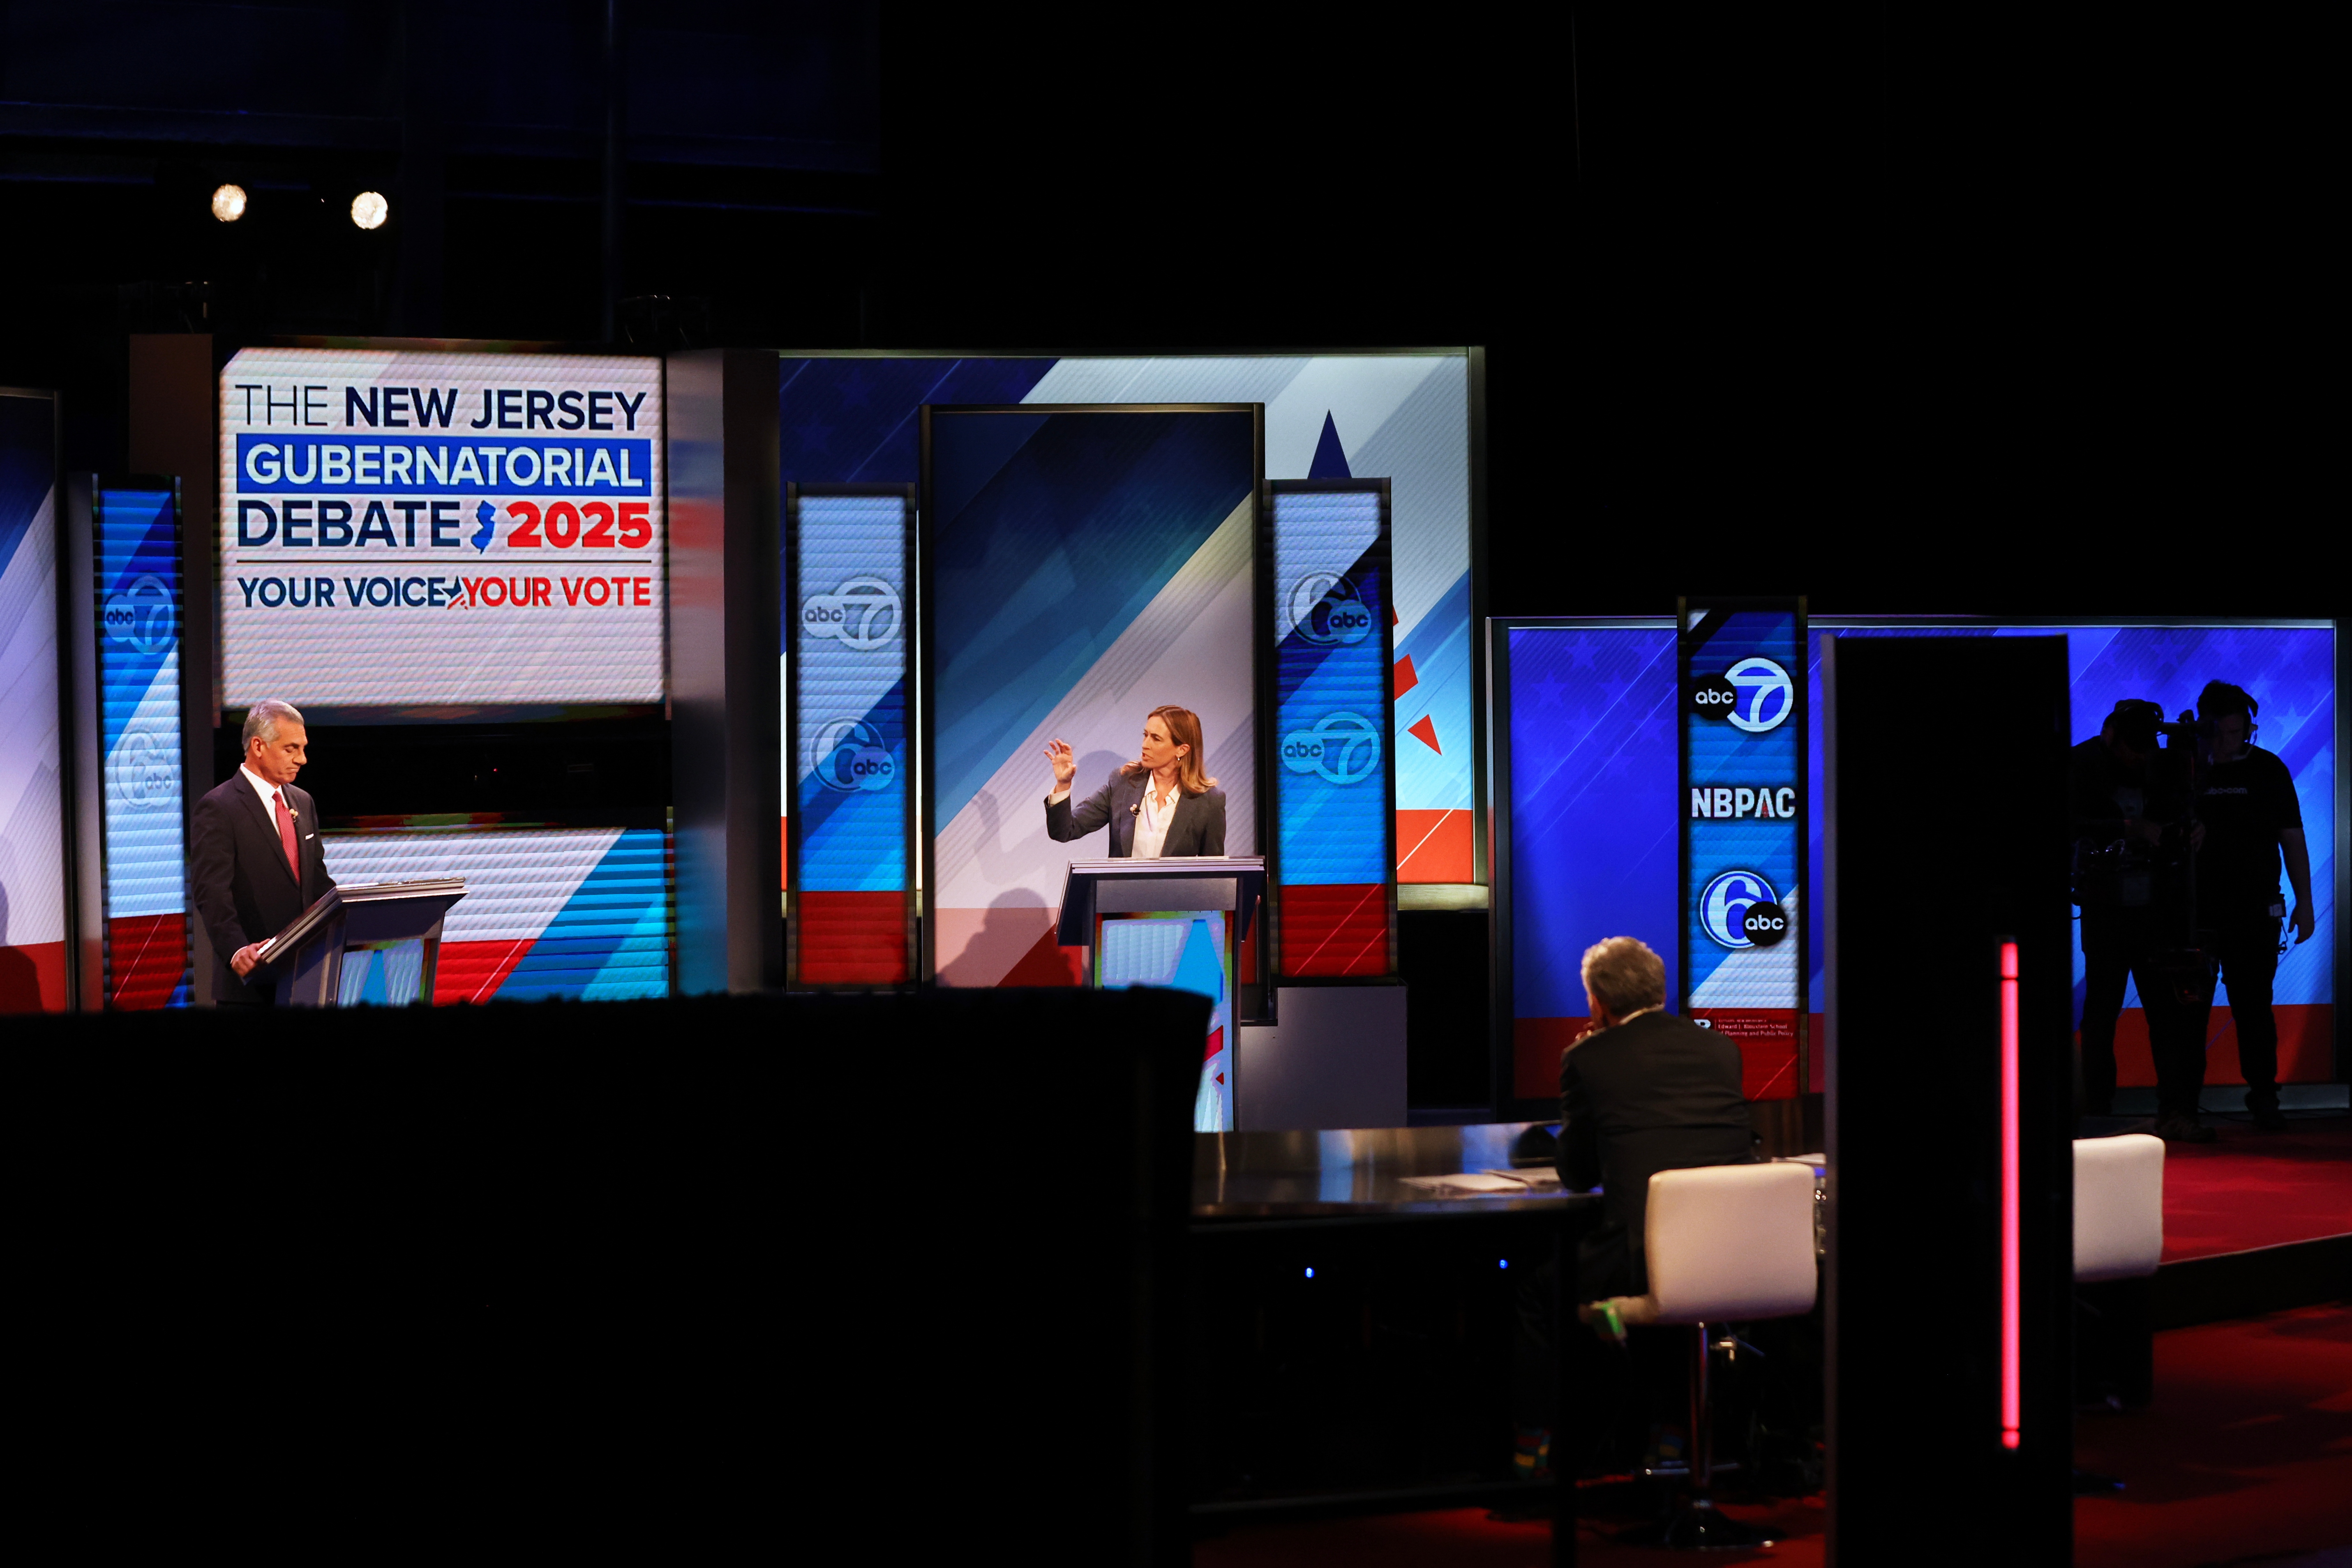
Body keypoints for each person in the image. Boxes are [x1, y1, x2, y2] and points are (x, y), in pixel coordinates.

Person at [1512, 936, 1756, 1479]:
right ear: (1658, 991)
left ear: (1597, 1002)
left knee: (1536, 1288)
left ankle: (1535, 1447)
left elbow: (1578, 1175)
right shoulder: (1720, 1049)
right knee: (1676, 1299)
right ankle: (1670, 1434)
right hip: (1728, 1260)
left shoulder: (1586, 1058)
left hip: (1640, 1260)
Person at [2188, 681, 2315, 1134]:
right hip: (2194, 913)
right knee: (2188, 1014)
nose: (2231, 742)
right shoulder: (2184, 771)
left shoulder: (2267, 769)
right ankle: (2182, 1104)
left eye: (2239, 732)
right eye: (2223, 734)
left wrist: (2304, 902)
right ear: (2204, 728)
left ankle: (2264, 1096)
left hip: (2254, 910)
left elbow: (2292, 837)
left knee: (2254, 1008)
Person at [2070, 698, 2203, 1131]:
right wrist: (2126, 830)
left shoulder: (2163, 766)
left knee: (2164, 1012)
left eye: (2146, 751)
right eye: (2133, 750)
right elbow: (2069, 822)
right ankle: (2097, 1108)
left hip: (2155, 909)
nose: (2139, 759)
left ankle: (2174, 1107)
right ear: (2111, 737)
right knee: (2101, 1013)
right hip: (2105, 907)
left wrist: (2193, 829)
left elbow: (2183, 812)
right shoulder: (2081, 765)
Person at [190, 699, 337, 1006]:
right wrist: (236, 950)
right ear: (258, 746)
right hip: (252, 987)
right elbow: (212, 893)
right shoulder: (219, 807)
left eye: (303, 748)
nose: (302, 759)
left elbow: (317, 884)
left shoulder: (303, 802)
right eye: (291, 749)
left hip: (307, 979)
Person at [1042, 705, 1226, 858]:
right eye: (1146, 735)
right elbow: (1065, 831)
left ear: (1182, 750)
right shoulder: (1123, 783)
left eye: (1156, 739)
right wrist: (1063, 784)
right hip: (1121, 892)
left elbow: (1213, 872)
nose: (1145, 745)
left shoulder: (1209, 801)